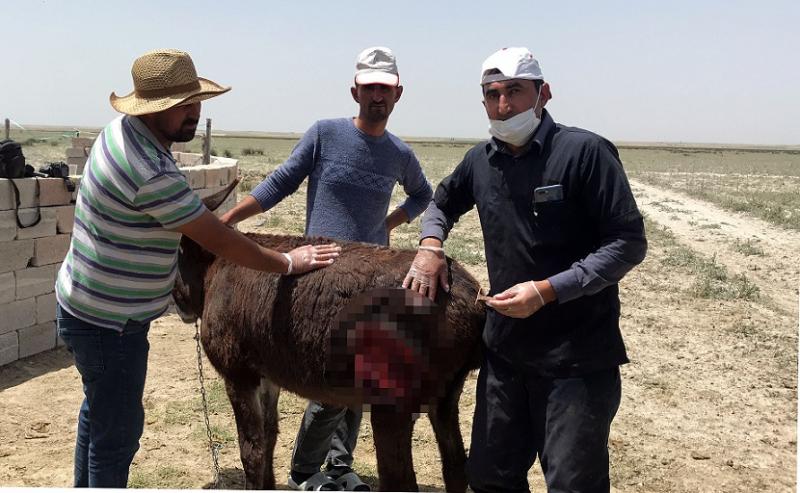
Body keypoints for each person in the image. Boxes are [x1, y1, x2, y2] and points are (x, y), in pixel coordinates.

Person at [55, 48, 340, 488]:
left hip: (87, 305)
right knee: (117, 436)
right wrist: (287, 261)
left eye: (195, 101)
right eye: (181, 106)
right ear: (152, 109)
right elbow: (218, 239)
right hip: (110, 325)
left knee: (98, 416)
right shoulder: (150, 171)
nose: (194, 112)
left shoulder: (123, 132)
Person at [403, 47, 647, 492]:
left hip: (576, 358)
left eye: (514, 91)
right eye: (492, 94)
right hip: (506, 354)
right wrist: (430, 245)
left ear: (543, 93)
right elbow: (441, 202)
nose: (503, 105)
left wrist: (547, 290)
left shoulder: (584, 152)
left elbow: (627, 243)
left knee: (573, 483)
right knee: (490, 477)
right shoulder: (481, 160)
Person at [220, 46, 433, 491]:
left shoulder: (399, 154)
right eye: (370, 87)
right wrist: (227, 222)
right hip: (318, 274)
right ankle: (306, 468)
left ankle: (337, 466)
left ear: (399, 95)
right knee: (330, 376)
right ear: (355, 90)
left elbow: (422, 195)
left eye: (386, 89)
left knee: (364, 374)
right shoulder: (324, 134)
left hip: (369, 277)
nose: (378, 96)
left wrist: (389, 222)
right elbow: (282, 181)